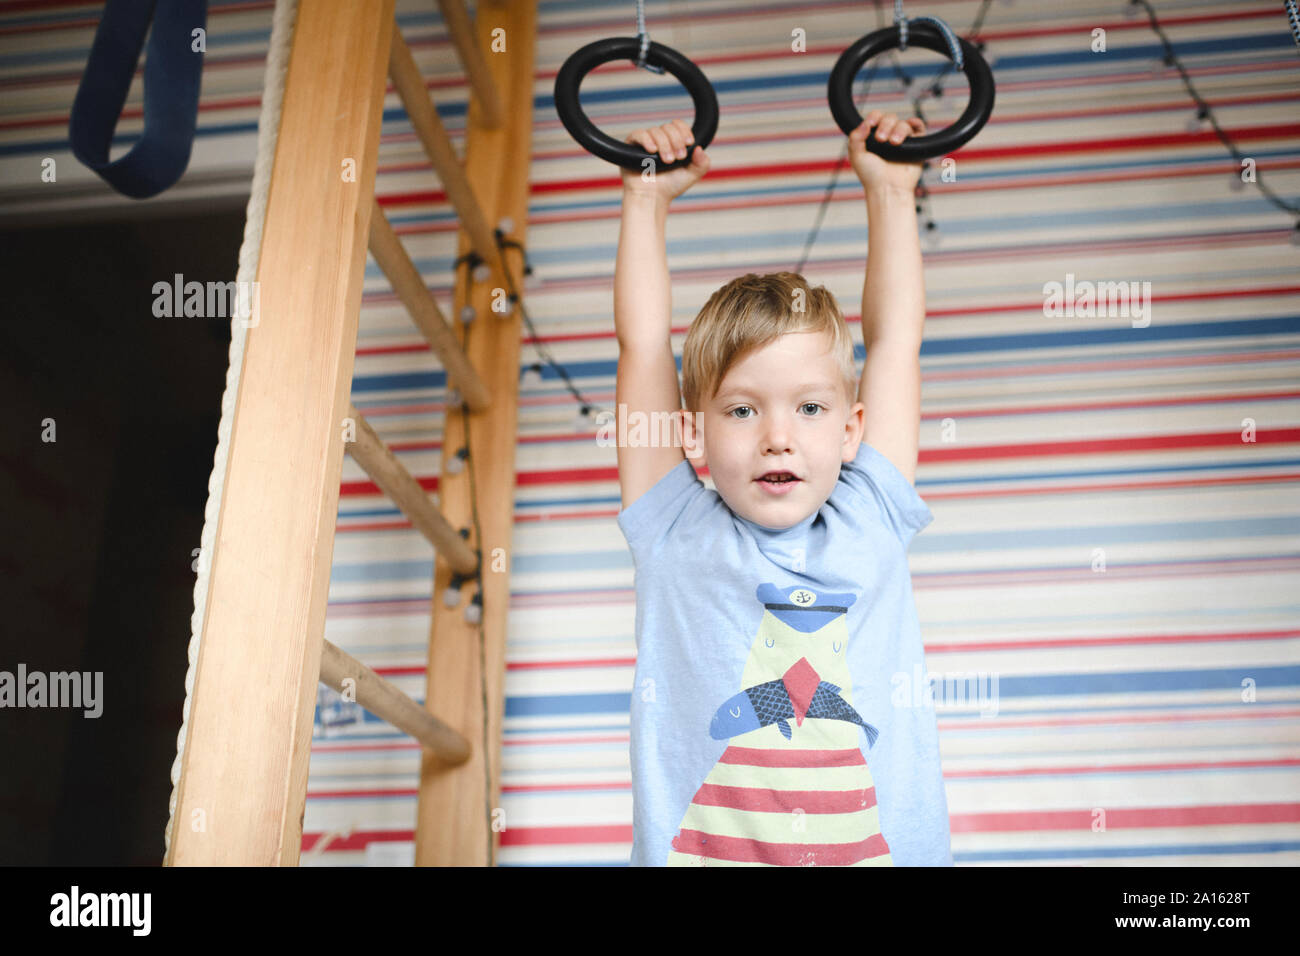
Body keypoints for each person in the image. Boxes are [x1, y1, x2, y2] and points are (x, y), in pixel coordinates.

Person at [612, 111, 951, 866]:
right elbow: (642, 345)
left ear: (852, 428)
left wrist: (892, 193)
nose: (778, 435)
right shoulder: (673, 532)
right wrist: (645, 202)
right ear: (689, 433)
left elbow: (898, 341)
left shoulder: (873, 514)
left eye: (809, 407)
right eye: (741, 409)